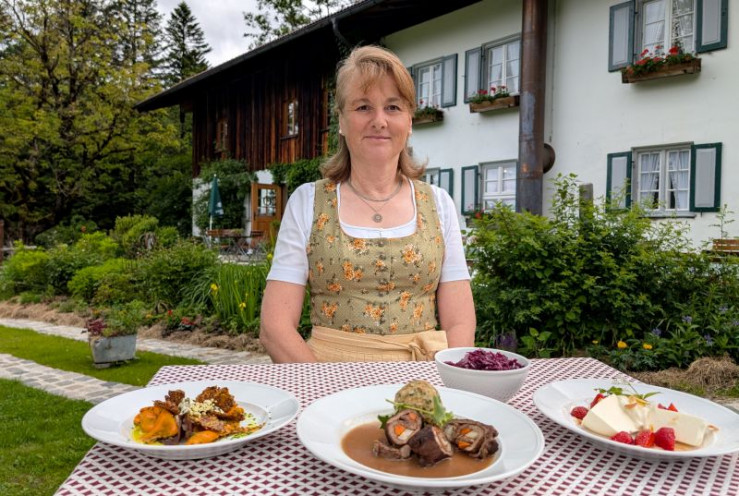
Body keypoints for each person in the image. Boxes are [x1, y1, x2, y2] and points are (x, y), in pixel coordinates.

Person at [259, 45, 475, 363]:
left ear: (409, 121)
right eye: (363, 107)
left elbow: (460, 322)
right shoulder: (307, 202)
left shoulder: (439, 204)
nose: (379, 121)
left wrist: (444, 383)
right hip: (328, 377)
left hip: (422, 380)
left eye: (393, 107)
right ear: (342, 121)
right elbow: (275, 327)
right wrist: (323, 388)